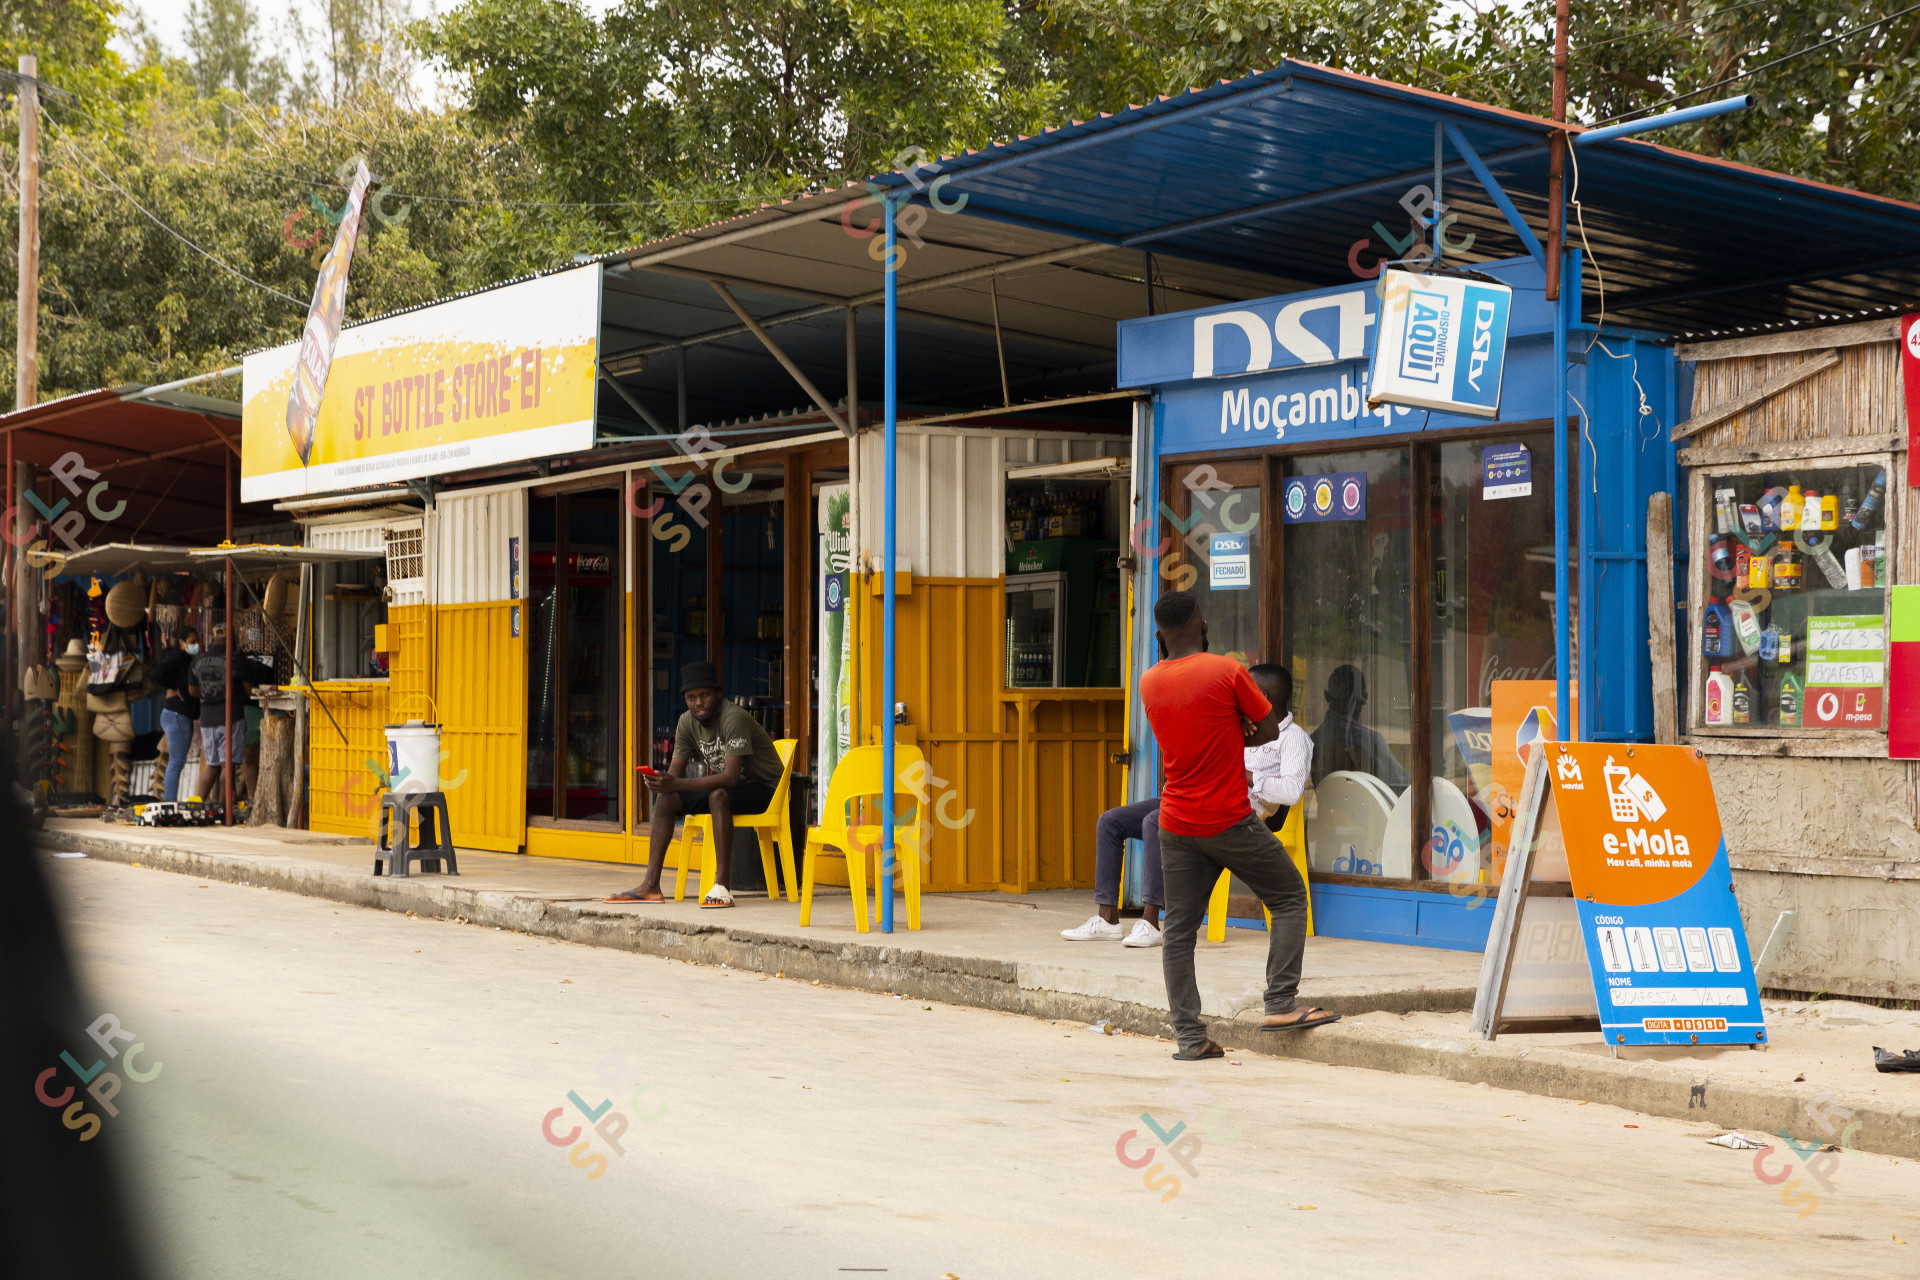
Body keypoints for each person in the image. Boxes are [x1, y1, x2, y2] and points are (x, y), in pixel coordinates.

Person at [1140, 591, 1338, 1062]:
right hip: (1227, 817)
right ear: (1204, 626)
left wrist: (1232, 724)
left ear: (1158, 637)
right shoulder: (1226, 671)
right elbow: (1270, 729)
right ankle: (1281, 1003)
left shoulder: (1149, 682)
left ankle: (1191, 1039)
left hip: (1176, 821)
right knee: (1290, 898)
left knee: (1180, 930)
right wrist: (1239, 722)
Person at [607, 661, 784, 909]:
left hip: (767, 789)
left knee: (719, 796)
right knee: (668, 800)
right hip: (733, 789)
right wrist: (662, 783)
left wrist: (676, 782)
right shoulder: (686, 723)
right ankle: (650, 885)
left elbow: (731, 777)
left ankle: (722, 887)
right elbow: (675, 775)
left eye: (705, 695)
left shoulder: (733, 718)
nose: (698, 703)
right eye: (691, 698)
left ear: (718, 695)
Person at [1060, 800, 1164, 947]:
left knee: (1153, 822)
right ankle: (1107, 919)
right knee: (1108, 821)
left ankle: (1150, 923)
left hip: (1196, 801)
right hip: (1171, 797)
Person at [188, 634, 274, 807]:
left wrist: (210, 697)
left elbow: (192, 691)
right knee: (228, 767)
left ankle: (197, 805)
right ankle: (223, 808)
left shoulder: (197, 661)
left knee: (212, 767)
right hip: (231, 718)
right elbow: (250, 690)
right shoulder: (236, 661)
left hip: (207, 720)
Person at [1309, 663, 1411, 791]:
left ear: (1327, 696)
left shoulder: (1313, 740)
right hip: (1368, 809)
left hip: (1327, 809)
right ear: (1359, 701)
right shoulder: (1369, 740)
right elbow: (1400, 783)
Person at [1245, 664, 1313, 832]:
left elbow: (1291, 792)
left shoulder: (1293, 738)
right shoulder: (1244, 726)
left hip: (1242, 823)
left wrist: (1243, 775)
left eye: (1244, 690)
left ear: (1261, 696)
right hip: (1211, 806)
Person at [151, 628, 201, 801]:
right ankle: (169, 804)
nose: (196, 645)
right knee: (176, 762)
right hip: (177, 715)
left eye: (197, 641)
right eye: (192, 641)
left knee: (176, 762)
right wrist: (174, 687)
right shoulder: (178, 658)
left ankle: (170, 803)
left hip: (177, 715)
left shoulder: (186, 659)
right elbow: (157, 674)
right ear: (182, 643)